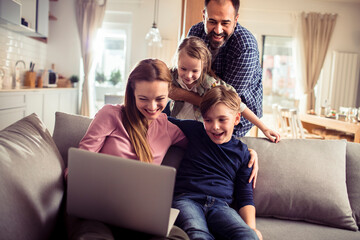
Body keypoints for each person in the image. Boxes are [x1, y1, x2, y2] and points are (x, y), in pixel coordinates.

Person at [74, 59, 189, 240]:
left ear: (169, 94)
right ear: (132, 93)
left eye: (160, 99)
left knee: (178, 237)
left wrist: (247, 153)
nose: (152, 107)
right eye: (143, 99)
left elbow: (205, 143)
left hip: (142, 215)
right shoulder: (111, 115)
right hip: (99, 211)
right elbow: (81, 161)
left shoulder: (168, 128)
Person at [168, 85, 263, 240]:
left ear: (236, 119)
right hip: (187, 199)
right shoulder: (195, 130)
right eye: (208, 120)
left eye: (222, 119)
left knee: (248, 236)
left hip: (220, 206)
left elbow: (245, 195)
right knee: (197, 232)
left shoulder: (243, 153)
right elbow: (159, 119)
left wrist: (252, 228)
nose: (215, 127)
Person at [169, 0, 263, 138]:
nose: (218, 30)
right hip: (199, 103)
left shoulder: (245, 47)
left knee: (219, 147)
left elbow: (225, 102)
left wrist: (181, 94)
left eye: (225, 23)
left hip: (236, 111)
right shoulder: (195, 32)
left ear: (236, 19)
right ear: (204, 16)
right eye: (212, 21)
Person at [167, 36, 279, 143]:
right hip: (176, 127)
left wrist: (264, 128)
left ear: (204, 66)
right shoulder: (171, 77)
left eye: (195, 71)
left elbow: (238, 105)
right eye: (183, 69)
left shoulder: (210, 83)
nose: (188, 75)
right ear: (177, 62)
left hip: (199, 133)